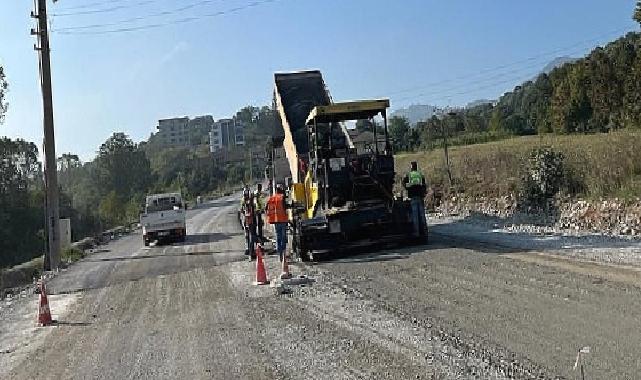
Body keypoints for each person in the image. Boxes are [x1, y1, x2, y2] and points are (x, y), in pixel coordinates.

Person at [403, 161, 428, 239]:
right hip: (420, 197)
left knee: (415, 216)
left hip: (413, 197)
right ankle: (424, 232)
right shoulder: (420, 175)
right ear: (416, 167)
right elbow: (424, 185)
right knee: (422, 215)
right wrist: (423, 193)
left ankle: (416, 233)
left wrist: (407, 188)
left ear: (411, 167)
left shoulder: (409, 175)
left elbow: (403, 183)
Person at [266, 184, 289, 262]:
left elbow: (267, 208)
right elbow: (285, 207)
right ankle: (284, 255)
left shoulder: (272, 198)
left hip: (276, 221)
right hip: (282, 220)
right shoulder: (282, 197)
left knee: (278, 238)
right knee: (283, 238)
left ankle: (280, 255)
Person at [240, 189, 258, 261]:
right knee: (251, 237)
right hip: (249, 221)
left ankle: (249, 250)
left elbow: (241, 211)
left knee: (248, 236)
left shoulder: (244, 202)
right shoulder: (249, 203)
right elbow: (252, 212)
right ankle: (251, 251)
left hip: (246, 221)